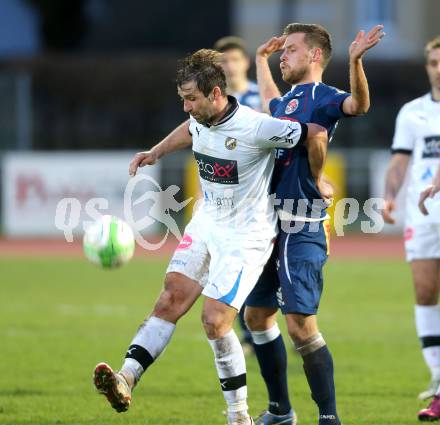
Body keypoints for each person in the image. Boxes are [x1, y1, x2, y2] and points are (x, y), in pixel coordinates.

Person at [92, 49, 328, 425]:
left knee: (214, 319)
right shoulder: (200, 118)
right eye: (182, 99)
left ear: (216, 93)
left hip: (245, 237)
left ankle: (239, 417)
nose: (186, 107)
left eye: (191, 99)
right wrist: (155, 152)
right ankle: (126, 378)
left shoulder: (256, 126)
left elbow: (313, 133)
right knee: (169, 298)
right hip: (206, 224)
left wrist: (316, 179)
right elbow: (190, 130)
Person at [243, 23, 385, 425]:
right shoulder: (289, 100)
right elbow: (271, 103)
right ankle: (281, 411)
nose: (283, 55)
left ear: (315, 56)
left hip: (301, 224)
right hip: (268, 225)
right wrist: (260, 61)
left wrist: (356, 62)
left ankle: (329, 418)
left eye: (290, 50)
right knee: (256, 317)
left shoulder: (323, 97)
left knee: (301, 326)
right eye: (282, 50)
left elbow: (358, 106)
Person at [382, 35, 440, 421]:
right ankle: (438, 378)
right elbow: (400, 161)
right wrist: (390, 196)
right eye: (434, 62)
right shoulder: (412, 112)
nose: (439, 68)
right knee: (424, 291)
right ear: (427, 66)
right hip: (423, 214)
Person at [214, 35, 263, 354]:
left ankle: (261, 328)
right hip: (229, 195)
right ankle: (248, 333)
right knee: (231, 263)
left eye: (233, 59)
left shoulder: (263, 95)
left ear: (245, 62)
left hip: (262, 193)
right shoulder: (213, 101)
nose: (229, 66)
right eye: (223, 62)